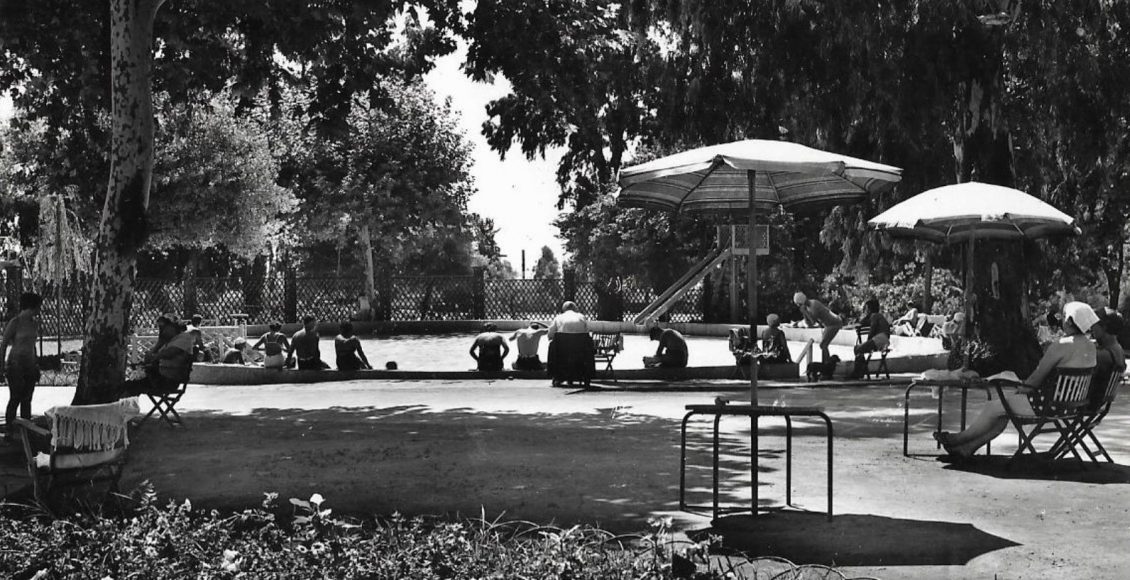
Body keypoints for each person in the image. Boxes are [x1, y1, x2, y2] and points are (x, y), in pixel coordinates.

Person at [935, 302, 1099, 459]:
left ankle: (958, 439)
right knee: (1002, 411)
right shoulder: (1090, 346)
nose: (1061, 320)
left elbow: (1037, 377)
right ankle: (967, 448)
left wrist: (1022, 388)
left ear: (1070, 321)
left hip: (1047, 404)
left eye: (1063, 317)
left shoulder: (1062, 345)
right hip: (1071, 406)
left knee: (995, 406)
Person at [1, 292, 42, 441]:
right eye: (38, 307)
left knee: (27, 399)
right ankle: (9, 431)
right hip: (16, 364)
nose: (39, 310)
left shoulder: (34, 323)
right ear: (31, 307)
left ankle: (26, 431)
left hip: (30, 365)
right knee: (15, 397)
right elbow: (4, 344)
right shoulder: (15, 322)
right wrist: (1, 367)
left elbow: (33, 345)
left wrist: (36, 364)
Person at [125, 314, 195, 396]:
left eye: (164, 327)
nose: (162, 330)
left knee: (132, 386)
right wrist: (158, 344)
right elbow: (148, 358)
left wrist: (155, 356)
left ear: (173, 326)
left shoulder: (184, 337)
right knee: (130, 384)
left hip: (169, 380)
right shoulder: (168, 341)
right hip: (159, 376)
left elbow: (169, 353)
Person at [547, 301, 595, 386]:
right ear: (575, 308)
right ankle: (586, 375)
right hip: (580, 348)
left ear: (564, 309)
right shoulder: (581, 317)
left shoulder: (559, 317)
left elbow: (550, 334)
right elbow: (587, 331)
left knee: (552, 345)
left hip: (563, 348)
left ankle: (557, 376)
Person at [1090, 309, 1127, 408]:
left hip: (1084, 402)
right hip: (1100, 402)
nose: (1091, 328)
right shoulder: (1118, 350)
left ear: (1104, 327)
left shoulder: (1103, 355)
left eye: (1094, 324)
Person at [794, 291, 843, 364]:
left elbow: (813, 322)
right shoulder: (809, 306)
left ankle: (826, 364)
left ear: (801, 302)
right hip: (828, 324)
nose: (799, 306)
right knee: (823, 345)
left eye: (799, 304)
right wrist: (801, 320)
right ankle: (825, 364)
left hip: (834, 323)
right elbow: (809, 323)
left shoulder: (813, 305)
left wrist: (805, 312)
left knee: (823, 345)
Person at [848, 298, 891, 380]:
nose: (866, 310)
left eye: (867, 308)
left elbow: (873, 328)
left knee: (858, 349)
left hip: (880, 338)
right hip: (884, 340)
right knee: (859, 349)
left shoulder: (875, 315)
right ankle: (861, 371)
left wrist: (868, 340)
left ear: (870, 308)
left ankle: (858, 372)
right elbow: (862, 322)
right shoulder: (876, 316)